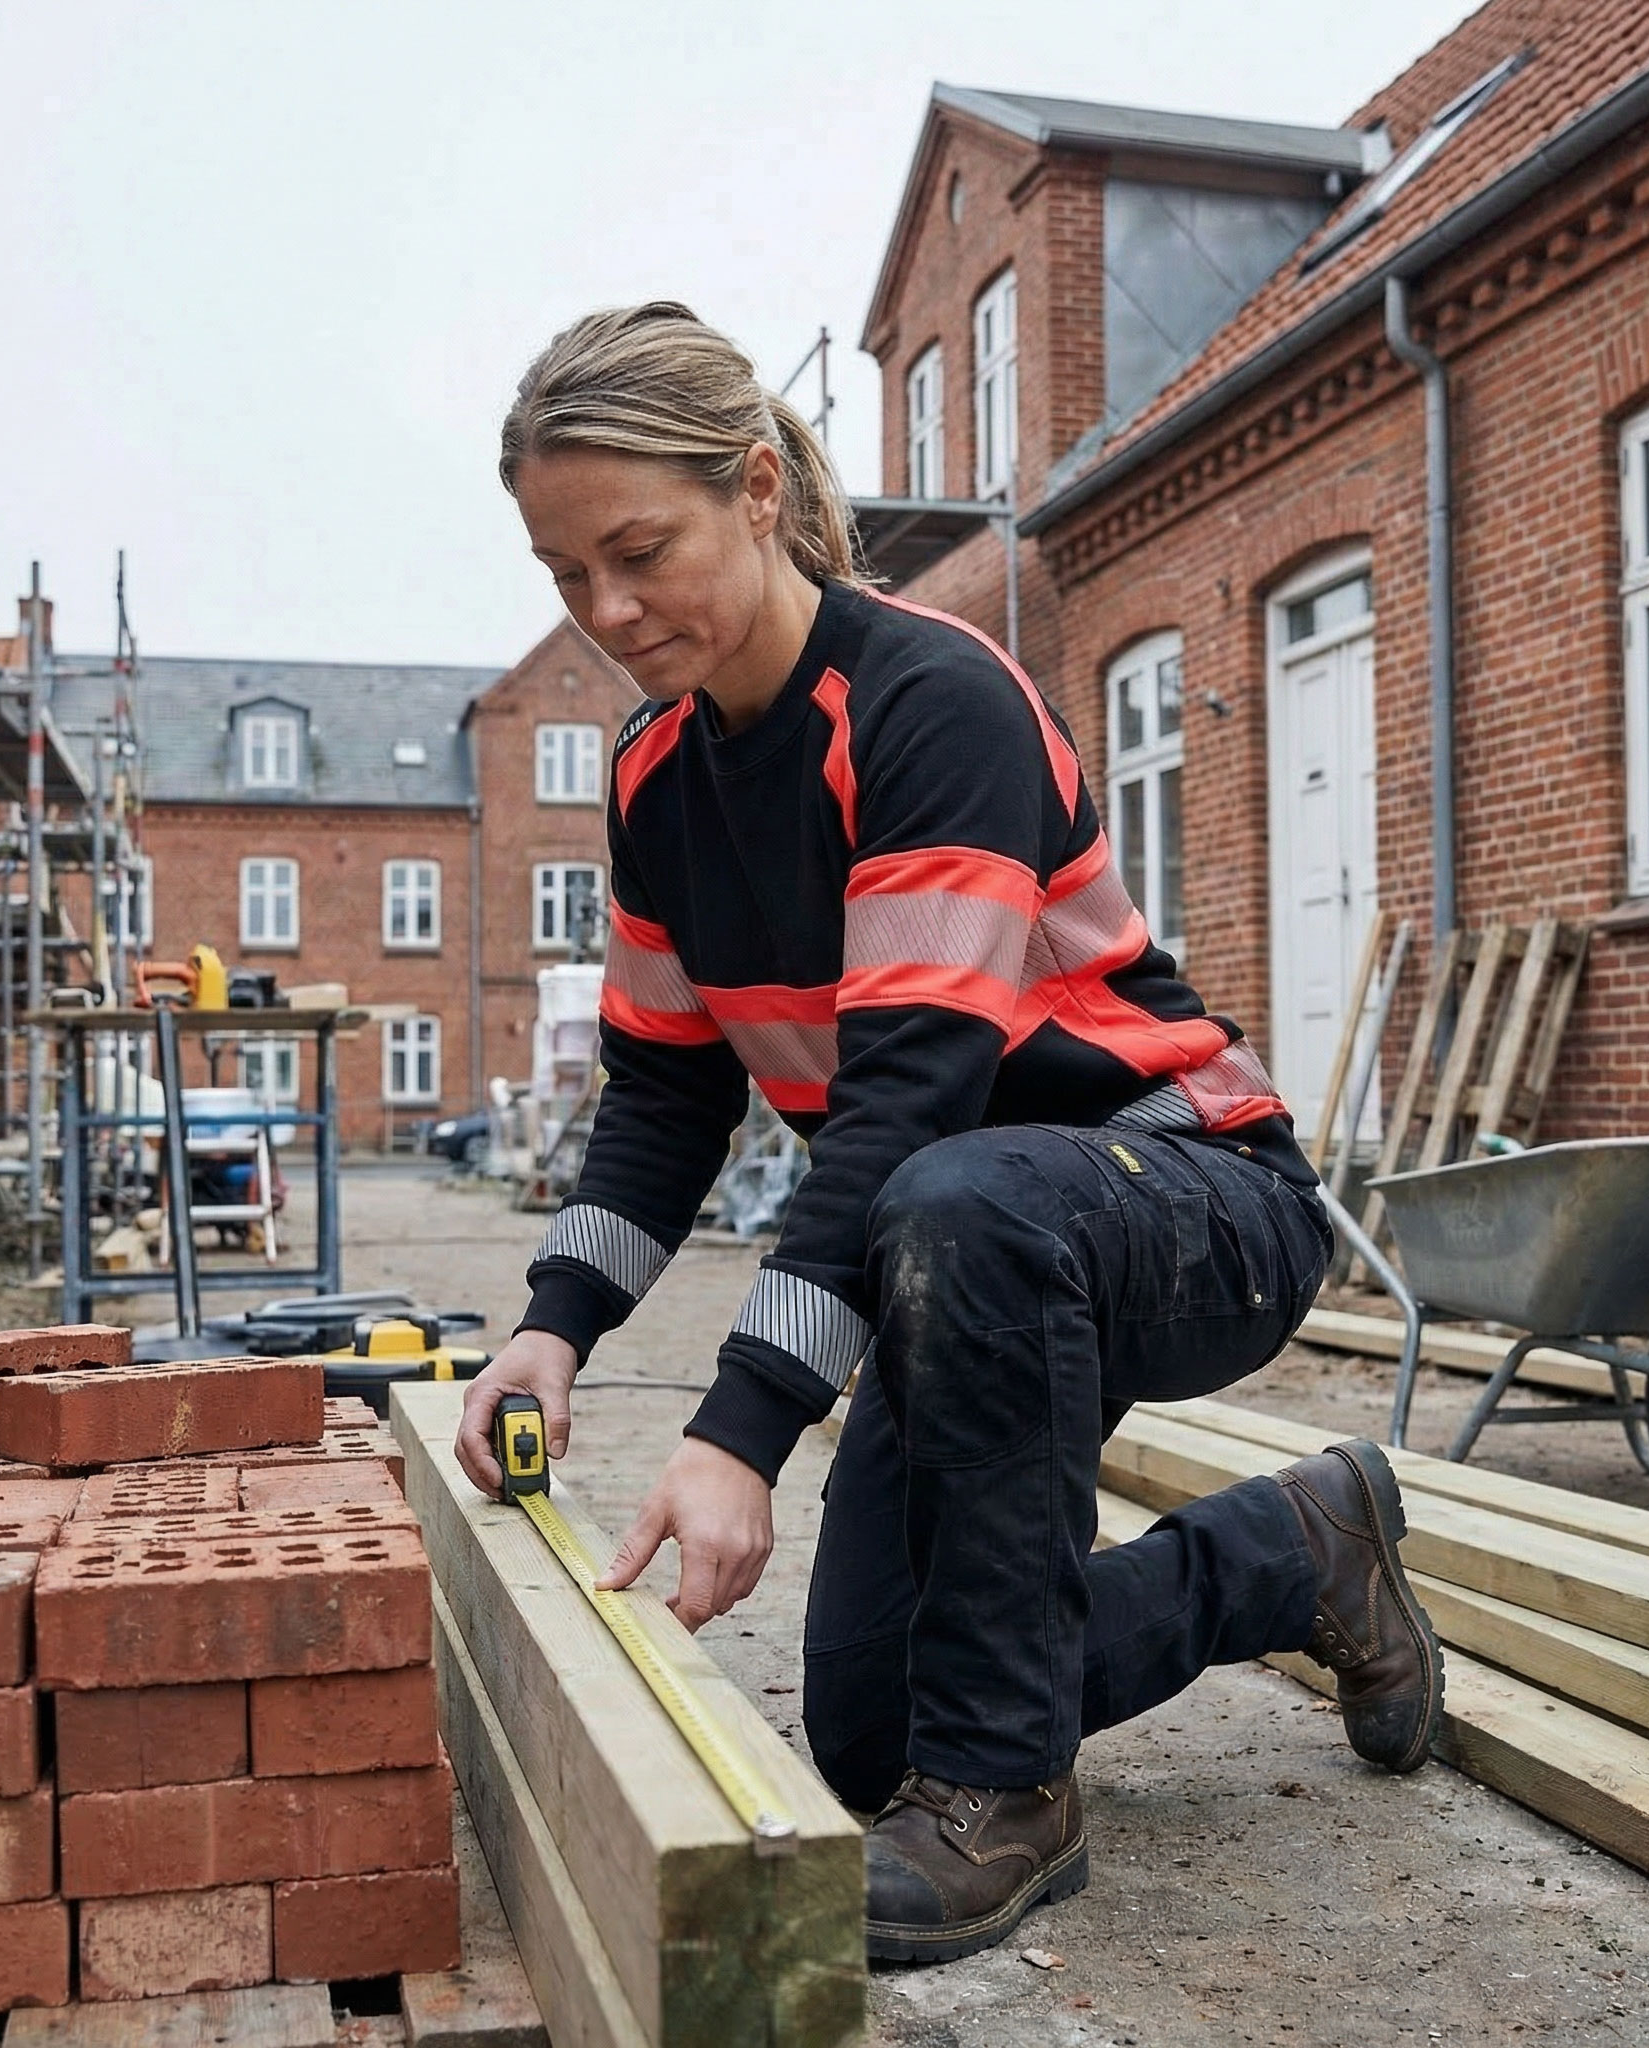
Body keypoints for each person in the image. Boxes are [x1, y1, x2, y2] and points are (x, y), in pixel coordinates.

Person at [456, 302, 1445, 1966]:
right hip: (960, 1247)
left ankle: (1011, 1804)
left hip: (1190, 1195)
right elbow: (664, 1096)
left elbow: (905, 1093)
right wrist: (550, 1333)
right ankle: (1299, 1550)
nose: (608, 612)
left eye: (640, 551)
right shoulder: (651, 786)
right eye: (567, 575)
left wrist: (737, 1435)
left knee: (947, 1195)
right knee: (868, 1732)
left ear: (757, 489)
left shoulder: (930, 704)